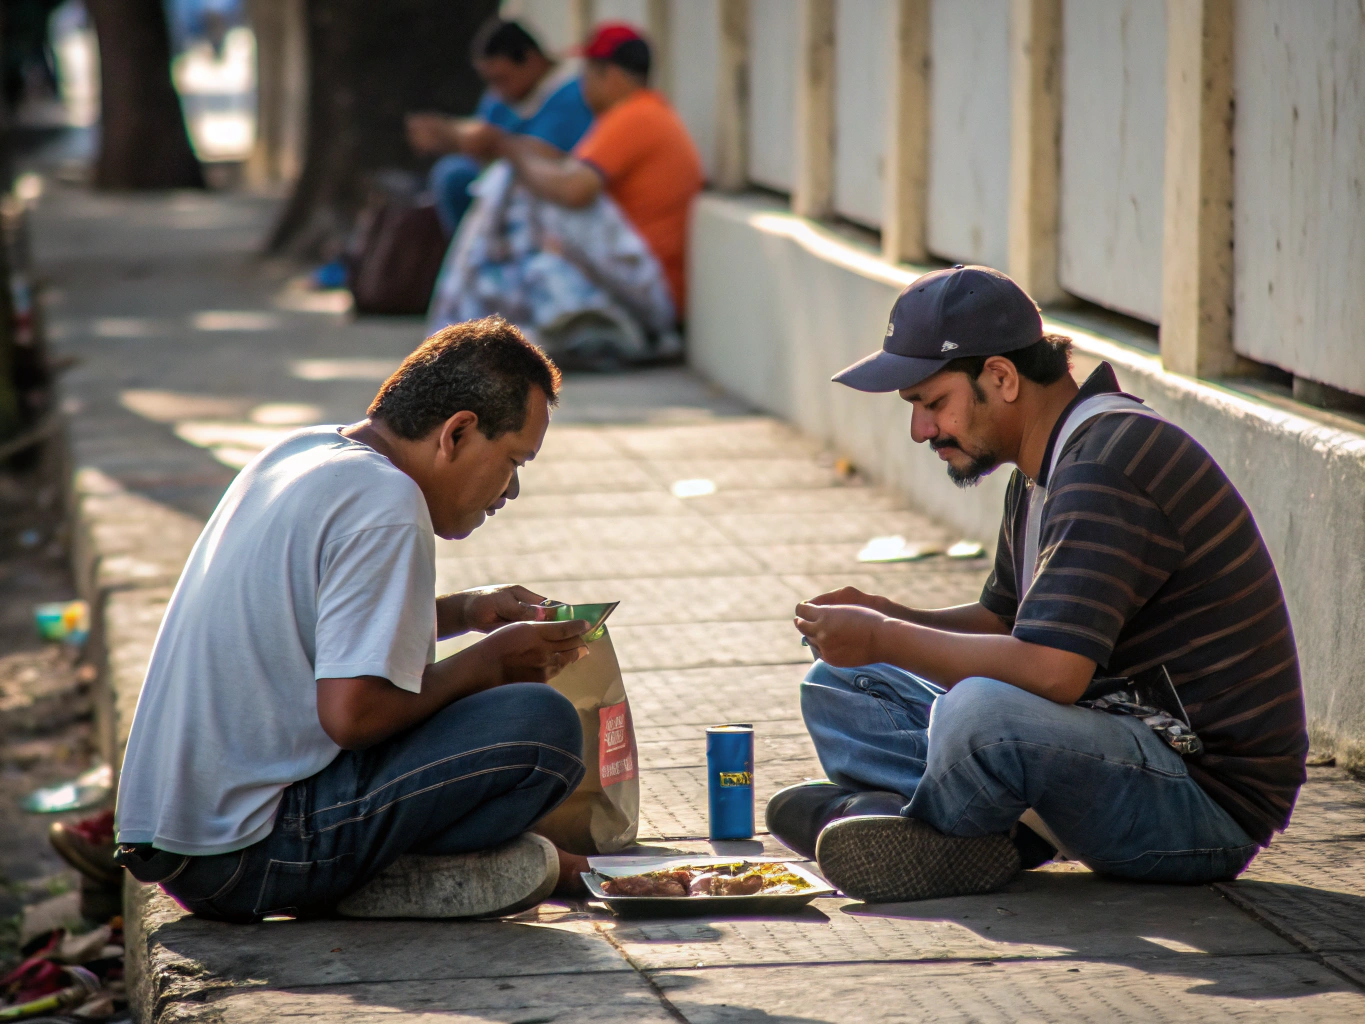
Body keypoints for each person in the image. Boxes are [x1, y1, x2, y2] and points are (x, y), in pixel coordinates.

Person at [768, 265, 1308, 904]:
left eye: (932, 403)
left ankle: (931, 826)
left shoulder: (1105, 467)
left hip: (1200, 804)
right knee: (839, 684)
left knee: (981, 714)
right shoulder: (1047, 464)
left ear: (1000, 377)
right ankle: (955, 824)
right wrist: (888, 613)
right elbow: (1003, 625)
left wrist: (885, 637)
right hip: (1109, 746)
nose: (920, 431)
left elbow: (1053, 673)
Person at [113, 317, 597, 922]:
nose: (513, 489)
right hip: (249, 852)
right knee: (539, 725)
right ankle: (380, 878)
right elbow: (354, 714)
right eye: (513, 460)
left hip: (178, 842)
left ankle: (385, 866)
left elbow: (322, 627)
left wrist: (465, 611)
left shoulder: (304, 452)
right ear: (458, 432)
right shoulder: (388, 502)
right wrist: (491, 662)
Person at [427, 22, 704, 362]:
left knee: (520, 191)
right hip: (642, 280)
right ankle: (471, 318)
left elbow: (574, 190)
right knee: (516, 188)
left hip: (654, 288)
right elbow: (561, 165)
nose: (582, 87)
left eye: (587, 75)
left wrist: (509, 150)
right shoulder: (643, 113)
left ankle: (460, 314)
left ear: (611, 75)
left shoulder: (635, 117)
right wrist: (511, 150)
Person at [406, 18, 594, 236]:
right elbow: (481, 134)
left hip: (548, 203)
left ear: (532, 61)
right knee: (451, 172)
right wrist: (449, 137)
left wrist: (496, 145)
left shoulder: (571, 95)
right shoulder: (499, 99)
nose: (497, 90)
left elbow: (549, 157)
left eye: (502, 79)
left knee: (457, 178)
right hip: (503, 198)